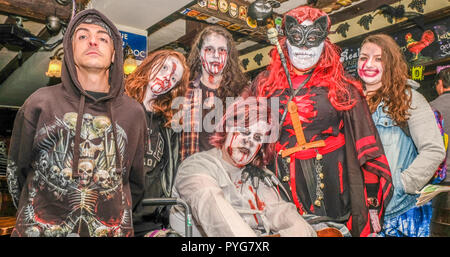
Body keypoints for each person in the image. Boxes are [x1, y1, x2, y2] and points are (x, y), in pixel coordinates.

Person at [253, 6, 393, 237]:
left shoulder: (343, 86)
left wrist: (371, 205)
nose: (305, 47)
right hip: (281, 186)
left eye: (313, 38)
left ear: (325, 42)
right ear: (285, 42)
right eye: (297, 38)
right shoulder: (264, 84)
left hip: (332, 187)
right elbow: (245, 131)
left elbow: (365, 150)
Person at [6, 9, 146, 237]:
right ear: (70, 51)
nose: (93, 41)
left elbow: (136, 183)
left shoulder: (133, 113)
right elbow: (17, 173)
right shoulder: (39, 102)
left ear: (113, 54)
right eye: (82, 36)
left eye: (103, 38)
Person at [169, 98, 317, 237]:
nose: (249, 142)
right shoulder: (196, 167)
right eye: (245, 131)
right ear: (227, 128)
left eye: (257, 137)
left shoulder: (257, 174)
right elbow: (219, 217)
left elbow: (281, 212)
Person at [357, 34, 446, 237]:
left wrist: (400, 184)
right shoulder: (351, 101)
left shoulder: (409, 98)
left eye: (378, 58)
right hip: (361, 214)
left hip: (400, 216)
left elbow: (433, 150)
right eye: (363, 58)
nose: (369, 63)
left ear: (391, 62)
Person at [124, 49, 190, 237]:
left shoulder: (168, 124)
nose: (167, 77)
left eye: (173, 78)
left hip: (151, 222)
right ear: (149, 65)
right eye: (163, 68)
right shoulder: (118, 107)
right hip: (117, 219)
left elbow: (170, 172)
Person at [179, 25, 249, 161]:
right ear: (199, 53)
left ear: (228, 56)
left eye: (222, 50)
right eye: (209, 49)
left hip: (229, 175)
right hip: (193, 172)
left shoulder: (241, 94)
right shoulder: (184, 91)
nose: (216, 55)